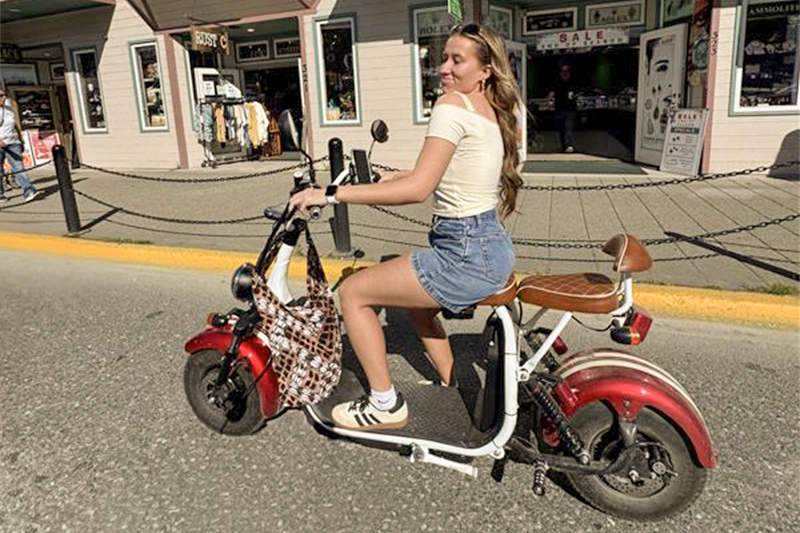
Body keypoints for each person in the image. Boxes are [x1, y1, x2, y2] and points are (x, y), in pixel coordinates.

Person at [289, 23, 521, 431]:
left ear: (485, 70)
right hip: (490, 246)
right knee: (417, 307)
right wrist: (390, 177)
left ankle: (384, 405)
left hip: (464, 251)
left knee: (355, 293)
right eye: (442, 58)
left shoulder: (452, 104)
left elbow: (419, 189)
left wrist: (329, 195)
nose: (444, 68)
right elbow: (438, 172)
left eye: (456, 60)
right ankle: (452, 383)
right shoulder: (488, 109)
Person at [0, 90, 41, 203]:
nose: (3, 98)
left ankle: (28, 191)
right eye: (0, 96)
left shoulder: (8, 110)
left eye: (4, 95)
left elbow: (15, 126)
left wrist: (21, 140)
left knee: (18, 167)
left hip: (13, 142)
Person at [551, 63, 577, 153]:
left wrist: (574, 96)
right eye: (563, 71)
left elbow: (576, 93)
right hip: (559, 108)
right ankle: (564, 146)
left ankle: (570, 145)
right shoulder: (557, 83)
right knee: (561, 128)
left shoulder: (573, 82)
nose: (565, 73)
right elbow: (553, 94)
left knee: (568, 127)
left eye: (567, 71)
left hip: (570, 108)